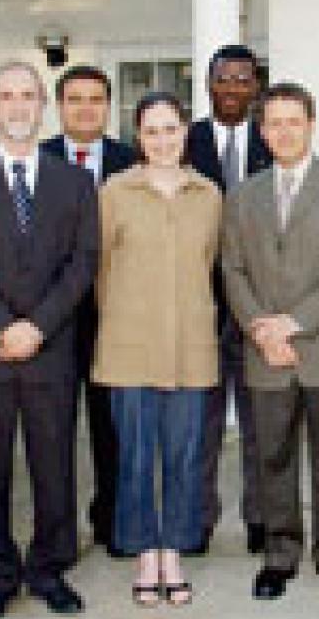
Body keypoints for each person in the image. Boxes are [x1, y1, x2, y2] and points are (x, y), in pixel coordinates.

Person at [0, 60, 98, 618]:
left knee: (54, 467)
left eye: (28, 95)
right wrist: (4, 326)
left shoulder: (74, 180)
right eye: (7, 95)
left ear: (42, 105)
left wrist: (37, 326)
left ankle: (50, 569)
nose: (18, 106)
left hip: (51, 350)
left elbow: (83, 263)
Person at [221, 82, 319, 601]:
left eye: (294, 121)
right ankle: (280, 555)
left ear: (311, 124)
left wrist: (294, 323)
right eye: (274, 123)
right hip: (266, 351)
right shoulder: (242, 196)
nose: (284, 132)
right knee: (273, 458)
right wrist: (262, 329)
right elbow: (233, 271)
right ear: (262, 132)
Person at [92, 91, 222, 607]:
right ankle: (145, 551)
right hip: (130, 344)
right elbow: (100, 269)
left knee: (185, 455)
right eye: (152, 132)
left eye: (171, 129)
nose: (163, 141)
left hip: (191, 344)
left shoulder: (209, 195)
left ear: (185, 132)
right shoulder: (114, 192)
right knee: (136, 456)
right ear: (138, 138)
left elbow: (208, 263)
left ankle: (175, 549)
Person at [40, 64, 139, 557]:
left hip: (113, 318)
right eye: (74, 99)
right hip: (53, 320)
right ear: (59, 107)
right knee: (54, 433)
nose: (84, 108)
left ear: (108, 106)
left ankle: (113, 522)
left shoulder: (130, 161)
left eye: (95, 99)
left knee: (112, 428)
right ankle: (57, 536)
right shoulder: (36, 160)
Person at [185, 44, 273, 555]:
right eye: (224, 78)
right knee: (202, 424)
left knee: (263, 422)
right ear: (208, 84)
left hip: (260, 306)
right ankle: (198, 519)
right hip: (200, 309)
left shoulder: (273, 137)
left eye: (244, 79)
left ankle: (262, 518)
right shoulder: (186, 141)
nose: (234, 88)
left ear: (256, 86)